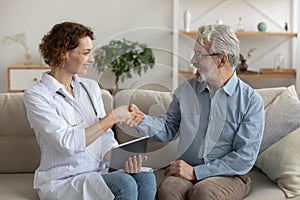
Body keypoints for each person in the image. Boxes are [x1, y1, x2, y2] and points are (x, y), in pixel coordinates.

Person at [129, 24, 265, 200]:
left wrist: (196, 172)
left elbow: (244, 157)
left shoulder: (251, 102)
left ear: (222, 60)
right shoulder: (187, 90)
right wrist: (142, 120)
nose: (193, 60)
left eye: (200, 55)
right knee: (168, 191)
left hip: (229, 176)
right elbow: (169, 127)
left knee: (204, 193)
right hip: (186, 168)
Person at [23, 21, 156, 200]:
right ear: (63, 54)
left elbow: (105, 138)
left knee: (145, 176)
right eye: (86, 53)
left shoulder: (90, 88)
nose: (91, 59)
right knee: (124, 184)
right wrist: (113, 117)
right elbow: (68, 143)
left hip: (97, 171)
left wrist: (121, 158)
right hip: (63, 180)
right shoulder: (37, 95)